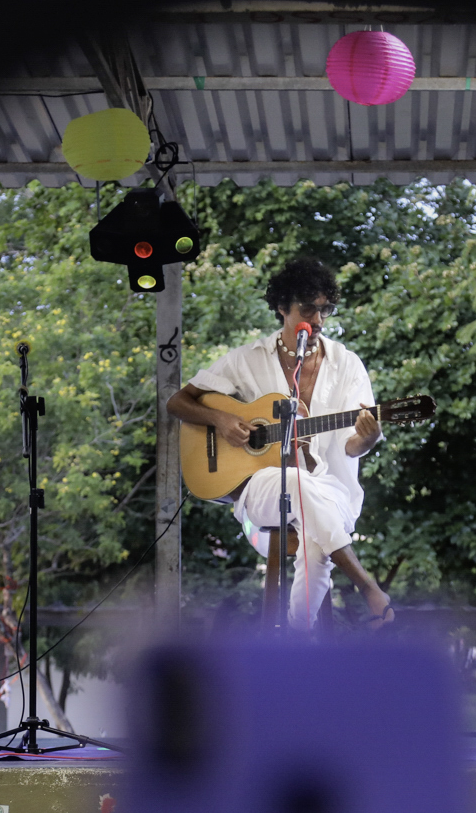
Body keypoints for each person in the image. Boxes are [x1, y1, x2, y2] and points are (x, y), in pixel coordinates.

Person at [166, 258, 392, 629]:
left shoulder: (348, 365)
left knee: (316, 541)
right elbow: (178, 402)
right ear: (282, 308)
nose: (318, 320)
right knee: (298, 484)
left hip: (333, 490)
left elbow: (351, 447)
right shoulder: (247, 359)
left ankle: (298, 642)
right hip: (262, 490)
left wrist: (369, 438)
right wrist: (221, 419)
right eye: (308, 309)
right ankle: (367, 586)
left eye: (325, 310)